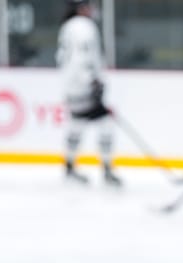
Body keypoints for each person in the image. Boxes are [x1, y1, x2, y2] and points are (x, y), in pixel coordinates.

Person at [56, 0, 121, 186]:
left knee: (77, 123)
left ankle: (69, 167)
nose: (92, 9)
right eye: (88, 5)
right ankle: (107, 169)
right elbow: (82, 58)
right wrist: (92, 81)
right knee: (106, 124)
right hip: (83, 86)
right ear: (81, 8)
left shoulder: (68, 26)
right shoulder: (83, 26)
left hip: (71, 86)